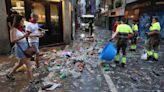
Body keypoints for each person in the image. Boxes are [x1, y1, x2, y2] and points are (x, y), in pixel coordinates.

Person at [6, 15, 33, 81]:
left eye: (23, 21)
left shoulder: (21, 28)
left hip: (25, 47)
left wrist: (37, 35)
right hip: (20, 48)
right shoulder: (13, 29)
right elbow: (12, 40)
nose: (23, 22)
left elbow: (25, 36)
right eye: (22, 21)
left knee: (20, 63)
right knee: (28, 65)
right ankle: (31, 81)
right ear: (17, 21)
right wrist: (24, 36)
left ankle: (10, 74)